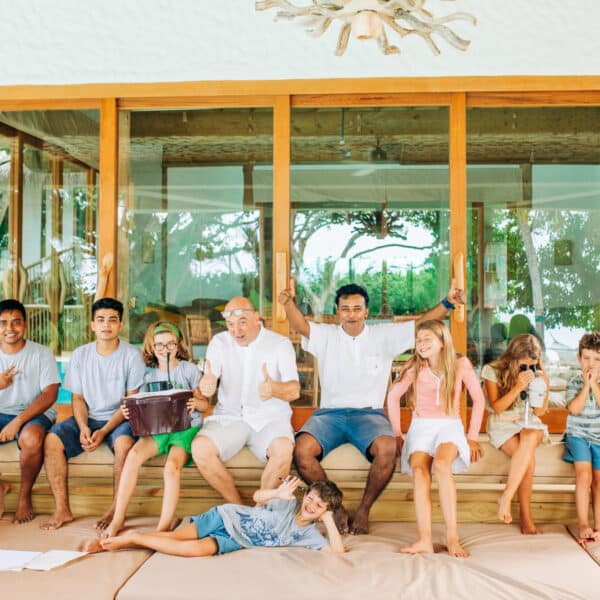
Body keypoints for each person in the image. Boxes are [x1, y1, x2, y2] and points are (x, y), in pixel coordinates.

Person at [279, 280, 466, 534]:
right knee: (301, 450)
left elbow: (421, 323)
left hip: (370, 413)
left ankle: (364, 509)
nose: (352, 314)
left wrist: (448, 303)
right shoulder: (327, 335)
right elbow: (300, 324)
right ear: (338, 312)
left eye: (357, 308)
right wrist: (288, 302)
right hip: (329, 414)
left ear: (366, 312)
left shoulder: (382, 335)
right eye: (345, 309)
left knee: (388, 448)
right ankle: (336, 508)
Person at [42, 298, 146, 530]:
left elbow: (130, 401)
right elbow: (77, 398)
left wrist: (104, 430)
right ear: (92, 325)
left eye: (112, 320)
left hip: (121, 417)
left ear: (120, 325)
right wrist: (84, 427)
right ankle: (63, 509)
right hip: (87, 417)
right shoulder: (80, 354)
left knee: (123, 445)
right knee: (51, 439)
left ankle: (115, 509)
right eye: (100, 320)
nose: (106, 325)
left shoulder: (131, 355)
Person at [102, 321, 209, 538]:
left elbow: (206, 405)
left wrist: (197, 404)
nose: (165, 350)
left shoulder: (189, 370)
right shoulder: (149, 376)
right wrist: (133, 411)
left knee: (171, 467)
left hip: (186, 428)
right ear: (152, 347)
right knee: (133, 456)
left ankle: (163, 527)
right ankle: (118, 518)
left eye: (170, 344)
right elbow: (141, 403)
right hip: (159, 429)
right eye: (159, 345)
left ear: (178, 345)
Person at [387, 320, 483, 557]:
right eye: (418, 340)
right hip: (421, 426)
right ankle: (425, 540)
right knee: (420, 472)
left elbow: (479, 400)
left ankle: (452, 539)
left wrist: (472, 437)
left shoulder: (460, 364)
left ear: (442, 342)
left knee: (441, 465)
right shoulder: (415, 368)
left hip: (449, 425)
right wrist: (397, 433)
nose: (421, 343)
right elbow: (392, 397)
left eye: (427, 338)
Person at [191, 296, 300, 504]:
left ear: (256, 318)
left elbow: (294, 390)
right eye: (231, 325)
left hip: (270, 419)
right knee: (200, 448)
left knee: (284, 450)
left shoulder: (279, 344)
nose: (236, 330)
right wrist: (208, 383)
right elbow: (210, 377)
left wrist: (274, 389)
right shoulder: (219, 342)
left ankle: (260, 512)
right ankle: (239, 509)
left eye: (242, 322)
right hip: (230, 418)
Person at [84, 477, 345, 556]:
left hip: (236, 541)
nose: (311, 505)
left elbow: (338, 552)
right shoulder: (286, 503)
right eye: (310, 498)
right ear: (305, 495)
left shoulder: (309, 535)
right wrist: (276, 491)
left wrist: (329, 520)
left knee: (194, 550)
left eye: (319, 506)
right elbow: (256, 497)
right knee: (175, 537)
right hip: (224, 517)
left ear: (325, 511)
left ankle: (134, 538)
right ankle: (124, 539)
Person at [481, 333, 549, 534]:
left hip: (528, 421)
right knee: (527, 461)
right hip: (503, 422)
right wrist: (518, 386)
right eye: (523, 365)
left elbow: (539, 412)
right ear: (512, 357)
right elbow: (498, 407)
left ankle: (507, 497)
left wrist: (543, 387)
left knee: (529, 435)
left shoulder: (538, 373)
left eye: (532, 365)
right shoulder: (492, 370)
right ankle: (526, 517)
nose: (528, 369)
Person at [0, 299, 60, 522]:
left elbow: (50, 395)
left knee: (31, 438)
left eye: (16, 322)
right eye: (3, 323)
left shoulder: (41, 353)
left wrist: (17, 422)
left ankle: (24, 496)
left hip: (35, 413)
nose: (10, 328)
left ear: (25, 324)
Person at [562, 332, 600, 545]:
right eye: (586, 358)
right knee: (584, 476)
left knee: (598, 481)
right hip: (578, 436)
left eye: (596, 359)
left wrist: (595, 384)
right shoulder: (574, 382)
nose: (590, 364)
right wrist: (586, 386)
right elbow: (574, 409)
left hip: (599, 438)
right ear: (579, 358)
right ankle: (584, 524)